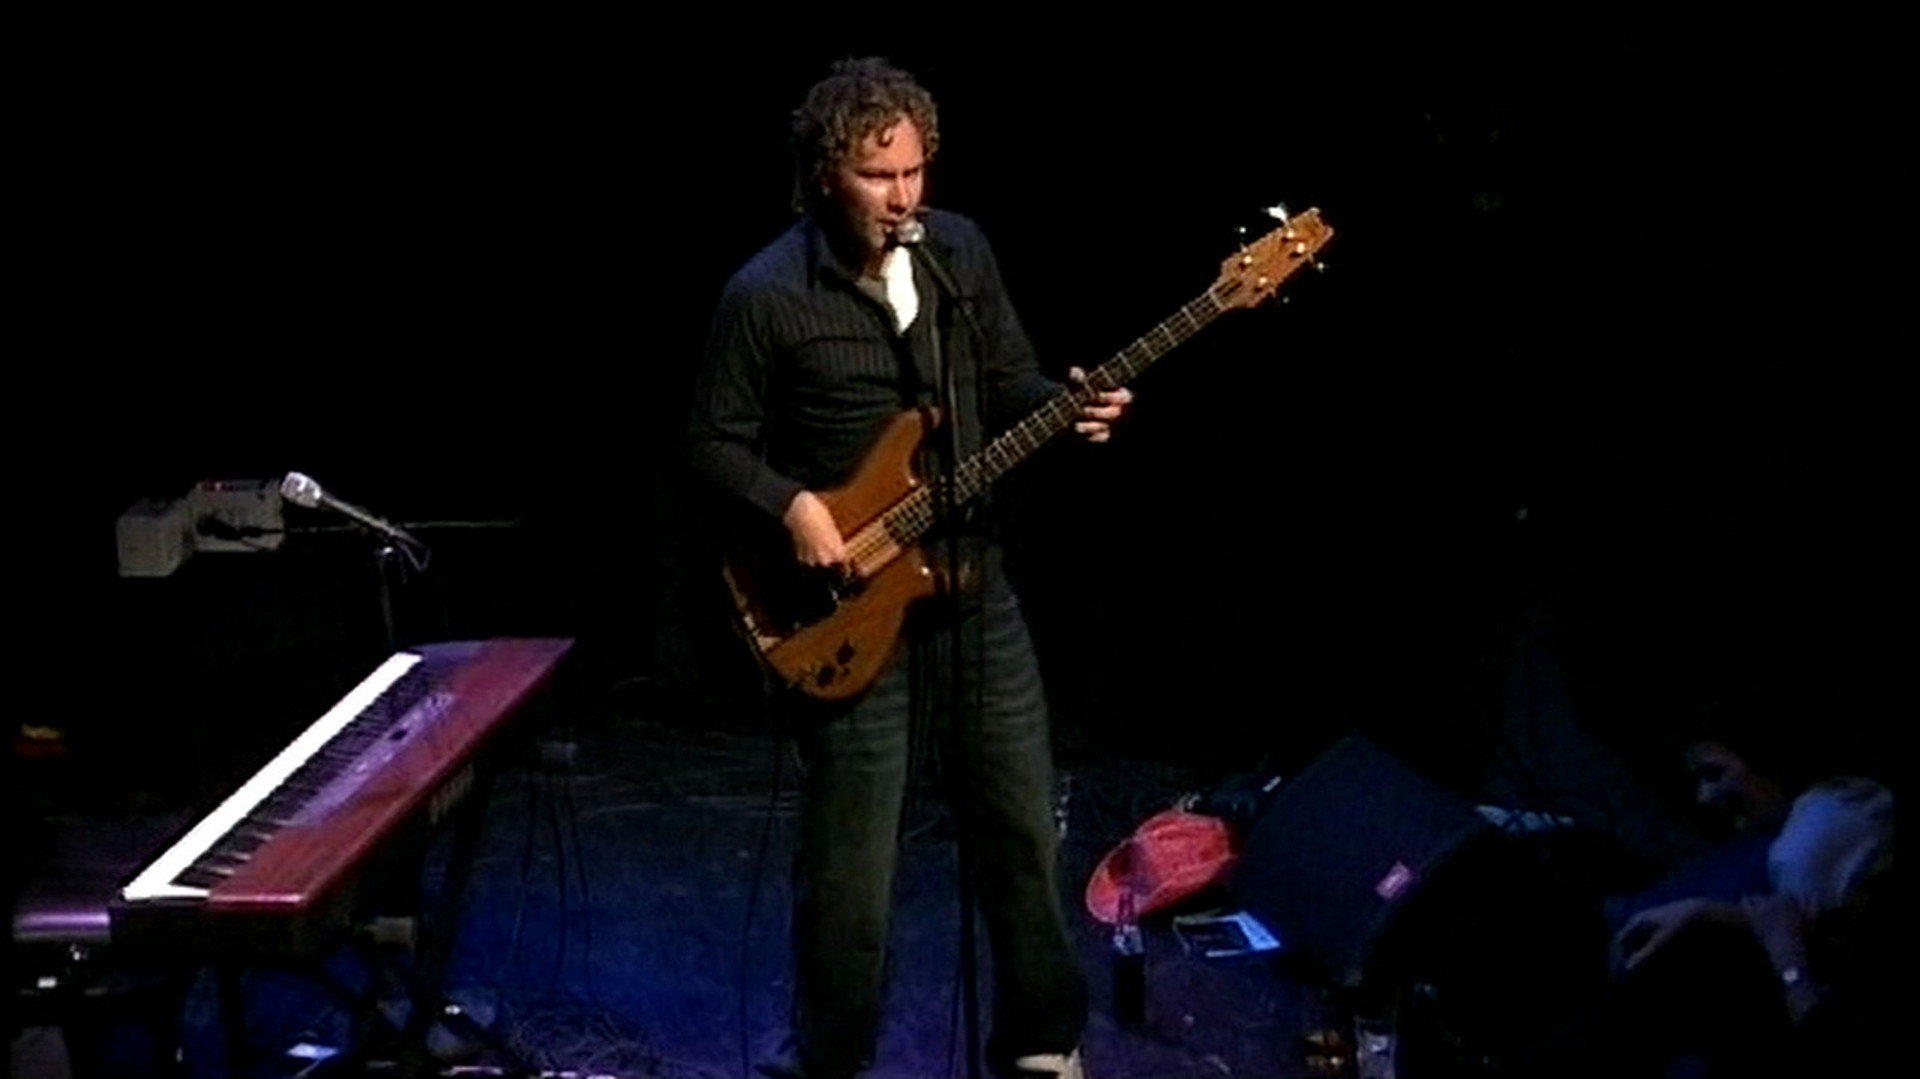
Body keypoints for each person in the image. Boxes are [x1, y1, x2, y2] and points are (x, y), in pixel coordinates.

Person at [687, 58, 1130, 1079]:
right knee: (853, 879)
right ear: (823, 175)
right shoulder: (764, 294)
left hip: (972, 589)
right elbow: (710, 443)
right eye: (877, 175)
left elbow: (1009, 379)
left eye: (915, 171)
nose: (902, 197)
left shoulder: (958, 253)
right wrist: (792, 504)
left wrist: (1070, 407)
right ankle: (832, 1059)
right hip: (846, 609)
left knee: (1022, 831)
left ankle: (1041, 1043)